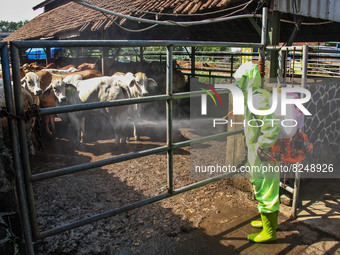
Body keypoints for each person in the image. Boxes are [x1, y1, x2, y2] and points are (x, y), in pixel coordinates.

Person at [234, 62, 281, 243]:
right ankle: (269, 223)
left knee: (264, 187)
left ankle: (269, 233)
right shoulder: (256, 95)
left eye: (239, 80)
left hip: (263, 151)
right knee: (269, 186)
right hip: (264, 150)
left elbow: (272, 126)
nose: (237, 84)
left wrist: (263, 146)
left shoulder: (256, 98)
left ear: (246, 79)